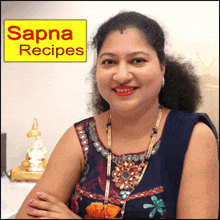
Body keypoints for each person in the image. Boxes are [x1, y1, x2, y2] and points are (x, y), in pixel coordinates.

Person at [16, 11, 219, 219]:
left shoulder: (192, 137)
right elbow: (29, 214)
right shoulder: (80, 137)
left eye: (137, 61)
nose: (121, 75)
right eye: (109, 62)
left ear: (162, 68)